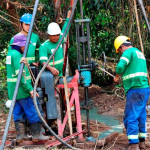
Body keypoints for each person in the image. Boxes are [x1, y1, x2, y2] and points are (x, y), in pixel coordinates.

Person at [6, 34, 49, 142]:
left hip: (14, 92)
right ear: (20, 45)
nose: (26, 47)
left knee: (18, 112)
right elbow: (21, 77)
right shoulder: (17, 56)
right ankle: (36, 135)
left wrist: (28, 63)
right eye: (25, 45)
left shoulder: (10, 54)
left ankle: (21, 135)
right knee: (33, 110)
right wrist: (30, 89)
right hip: (22, 90)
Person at [114, 35, 149, 150]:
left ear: (122, 47)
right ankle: (142, 142)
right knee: (141, 115)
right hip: (144, 89)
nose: (120, 53)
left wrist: (117, 75)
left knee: (131, 116)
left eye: (119, 50)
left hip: (135, 89)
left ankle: (134, 144)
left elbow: (120, 67)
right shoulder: (139, 53)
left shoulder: (128, 52)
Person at [39, 10, 71, 120]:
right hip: (50, 76)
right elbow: (43, 61)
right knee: (51, 96)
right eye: (53, 36)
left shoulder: (60, 40)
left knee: (64, 94)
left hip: (60, 74)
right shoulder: (44, 46)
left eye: (57, 35)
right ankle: (52, 116)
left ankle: (65, 113)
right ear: (48, 35)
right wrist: (51, 68)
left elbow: (65, 30)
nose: (56, 37)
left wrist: (67, 18)